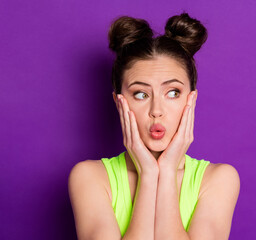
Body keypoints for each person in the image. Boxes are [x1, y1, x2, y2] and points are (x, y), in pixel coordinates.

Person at [68, 12, 240, 240]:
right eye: (140, 94)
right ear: (119, 102)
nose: (156, 110)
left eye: (172, 93)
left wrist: (166, 172)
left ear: (191, 100)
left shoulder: (219, 179)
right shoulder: (89, 178)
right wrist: (149, 175)